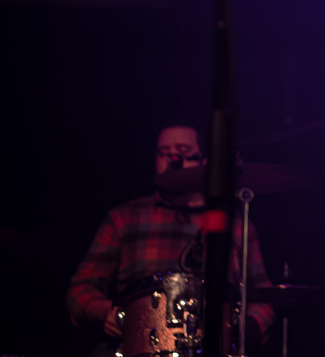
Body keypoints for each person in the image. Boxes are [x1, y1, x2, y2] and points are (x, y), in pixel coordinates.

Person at [66, 125, 275, 351]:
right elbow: (80, 289)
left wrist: (244, 327)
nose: (172, 159)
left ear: (204, 160)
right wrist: (105, 312)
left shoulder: (235, 226)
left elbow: (263, 297)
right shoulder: (125, 217)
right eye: (163, 152)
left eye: (183, 151)